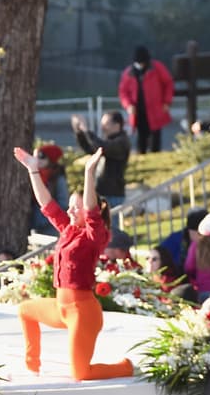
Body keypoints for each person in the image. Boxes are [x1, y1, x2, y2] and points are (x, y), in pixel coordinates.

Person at [14, 147, 134, 381]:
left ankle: (125, 367)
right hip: (62, 308)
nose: (70, 210)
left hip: (83, 312)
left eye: (75, 207)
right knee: (25, 311)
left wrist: (89, 173)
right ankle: (32, 368)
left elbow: (90, 210)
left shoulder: (94, 235)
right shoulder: (68, 230)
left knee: (80, 373)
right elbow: (47, 204)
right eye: (70, 205)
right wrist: (33, 170)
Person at [72, 111, 131, 214]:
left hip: (113, 194)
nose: (102, 127)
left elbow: (102, 147)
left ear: (117, 125)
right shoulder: (109, 140)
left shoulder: (122, 142)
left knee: (112, 227)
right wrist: (79, 131)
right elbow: (90, 148)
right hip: (101, 191)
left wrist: (86, 130)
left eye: (106, 124)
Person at [118, 46, 174, 154]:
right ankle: (141, 154)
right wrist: (128, 105)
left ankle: (155, 156)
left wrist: (167, 101)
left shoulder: (157, 68)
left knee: (155, 138)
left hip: (156, 109)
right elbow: (123, 92)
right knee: (141, 138)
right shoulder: (129, 73)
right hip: (138, 112)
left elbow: (168, 83)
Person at [30, 145, 70, 237]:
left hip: (51, 226)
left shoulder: (58, 179)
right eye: (34, 157)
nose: (37, 160)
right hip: (34, 225)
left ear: (50, 159)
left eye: (41, 157)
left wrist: (46, 218)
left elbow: (63, 203)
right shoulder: (34, 175)